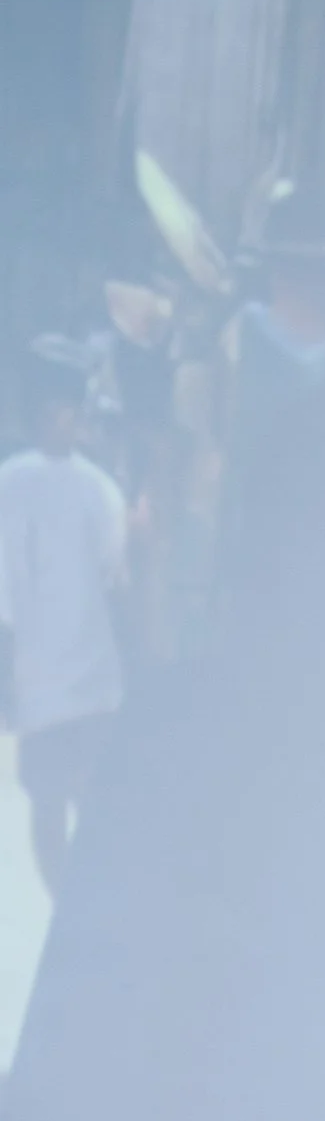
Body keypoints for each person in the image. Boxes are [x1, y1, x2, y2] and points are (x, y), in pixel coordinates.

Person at [0, 353, 130, 896]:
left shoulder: (98, 486)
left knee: (84, 799)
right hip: (46, 677)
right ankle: (66, 905)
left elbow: (113, 570)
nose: (70, 420)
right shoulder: (14, 483)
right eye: (61, 410)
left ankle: (77, 904)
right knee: (55, 800)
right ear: (43, 414)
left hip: (84, 674)